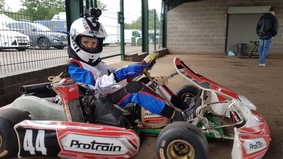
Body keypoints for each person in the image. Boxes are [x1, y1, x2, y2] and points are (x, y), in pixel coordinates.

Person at [66, 13, 199, 122]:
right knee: (135, 89)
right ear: (76, 41)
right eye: (86, 42)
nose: (90, 46)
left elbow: (116, 76)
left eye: (94, 42)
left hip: (111, 93)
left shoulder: (97, 63)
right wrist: (120, 74)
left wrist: (138, 68)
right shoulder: (75, 66)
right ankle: (179, 117)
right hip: (100, 103)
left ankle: (184, 105)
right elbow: (96, 85)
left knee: (149, 81)